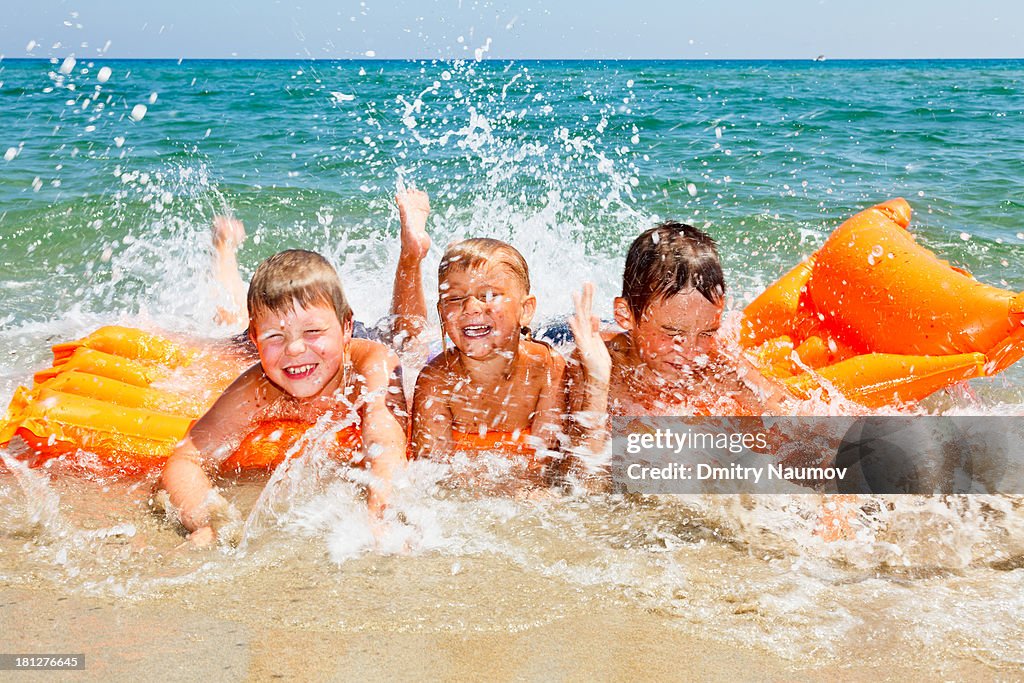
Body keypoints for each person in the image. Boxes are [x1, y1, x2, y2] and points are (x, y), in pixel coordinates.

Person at [159, 249, 407, 546]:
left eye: (312, 331)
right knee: (224, 336)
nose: (295, 349)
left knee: (407, 334)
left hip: (368, 338)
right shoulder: (259, 385)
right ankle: (224, 253)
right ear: (256, 338)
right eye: (274, 337)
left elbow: (385, 438)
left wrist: (380, 513)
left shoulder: (370, 367)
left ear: (345, 327)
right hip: (287, 342)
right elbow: (186, 458)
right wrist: (209, 520)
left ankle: (411, 255)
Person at [564, 222, 792, 460]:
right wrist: (597, 382)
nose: (691, 352)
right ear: (625, 315)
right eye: (673, 334)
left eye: (706, 333)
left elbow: (797, 420)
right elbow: (579, 480)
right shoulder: (594, 366)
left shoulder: (716, 366)